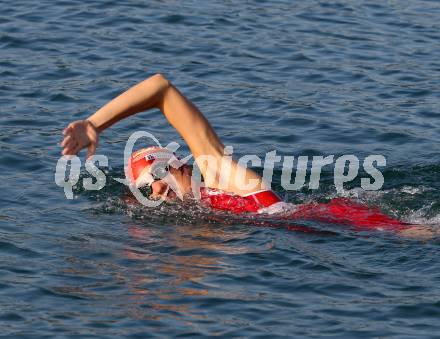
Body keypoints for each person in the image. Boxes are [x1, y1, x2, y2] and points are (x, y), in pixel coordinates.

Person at [61, 73, 435, 239]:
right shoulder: (195, 211)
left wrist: (95, 123)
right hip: (325, 235)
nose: (156, 191)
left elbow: (161, 88)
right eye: (145, 190)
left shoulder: (221, 174)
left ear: (181, 166)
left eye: (157, 176)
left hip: (352, 221)